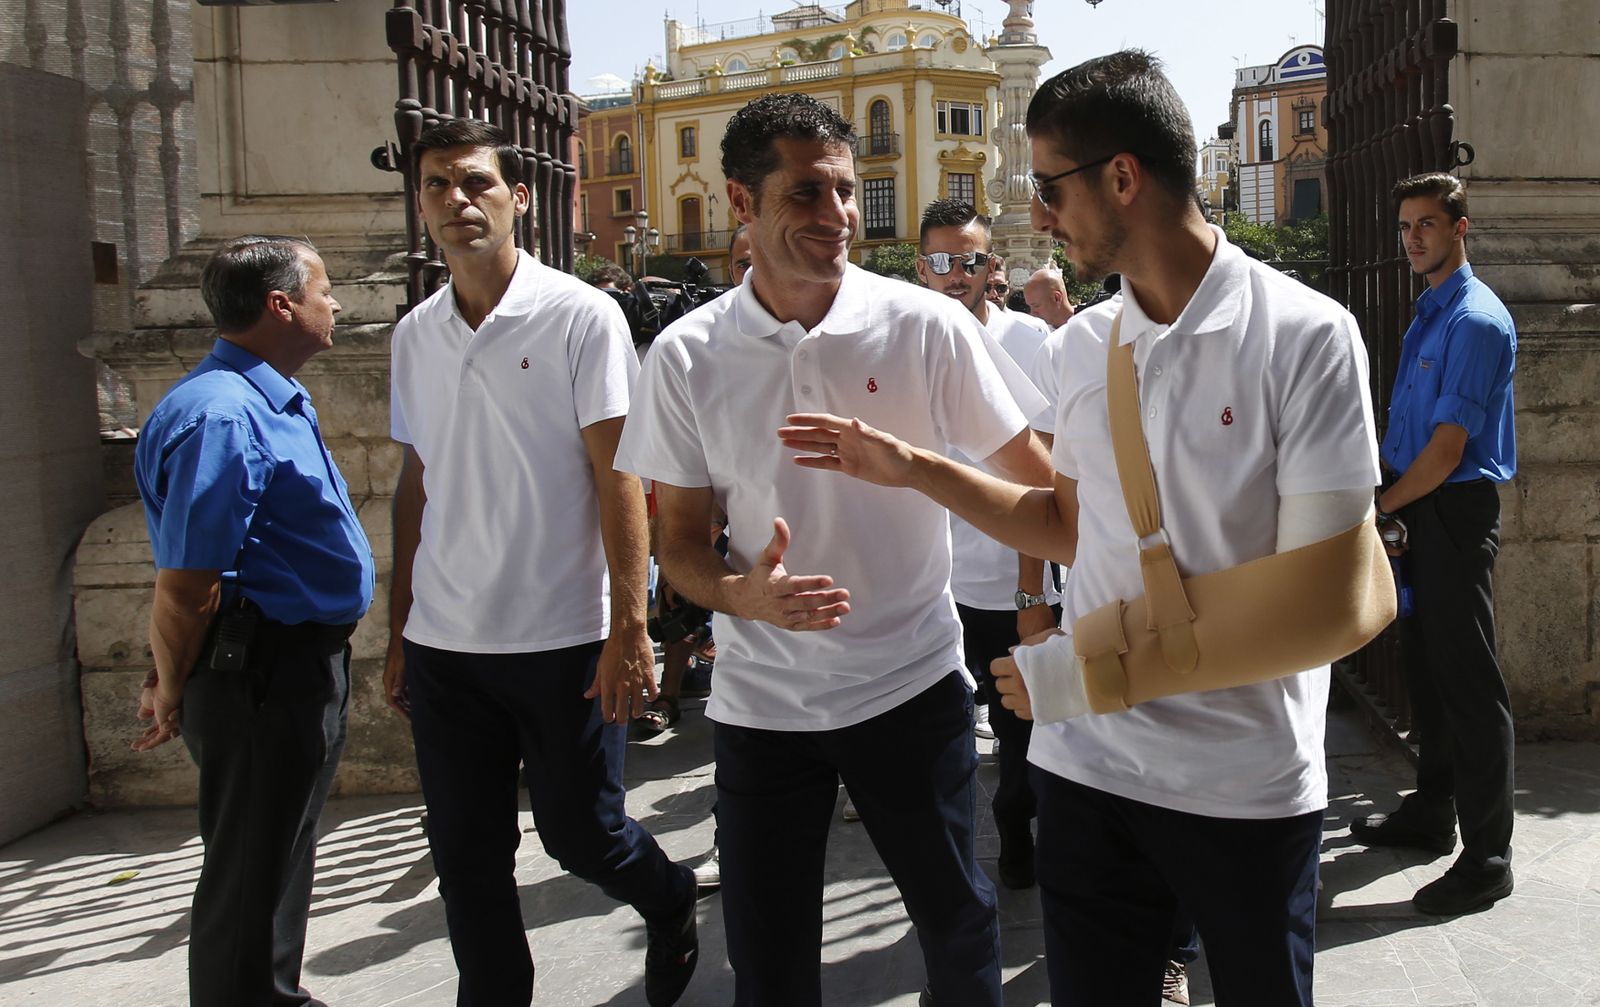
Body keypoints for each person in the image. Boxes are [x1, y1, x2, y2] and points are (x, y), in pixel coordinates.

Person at [782, 50, 1381, 1005]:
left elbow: (1327, 602)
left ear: (1123, 177)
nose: (1041, 212)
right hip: (1089, 770)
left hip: (1243, 780)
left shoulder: (1306, 334)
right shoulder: (1085, 345)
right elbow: (1067, 523)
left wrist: (1083, 668)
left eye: (1051, 186)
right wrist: (915, 467)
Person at [615, 92, 1052, 1007]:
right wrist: (742, 597)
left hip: (911, 686)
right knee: (768, 962)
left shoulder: (926, 326)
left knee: (957, 928)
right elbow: (679, 544)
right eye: (807, 192)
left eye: (846, 190)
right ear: (741, 202)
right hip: (761, 706)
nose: (839, 214)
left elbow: (1047, 499)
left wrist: (918, 470)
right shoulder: (687, 355)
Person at [384, 119, 697, 1007]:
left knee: (582, 834)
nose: (457, 199)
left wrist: (630, 625)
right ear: (421, 205)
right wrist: (399, 628)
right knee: (465, 855)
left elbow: (620, 475)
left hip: (564, 639)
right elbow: (416, 485)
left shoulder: (579, 314)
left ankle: (669, 894)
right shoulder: (414, 334)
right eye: (438, 184)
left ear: (518, 197)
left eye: (475, 181)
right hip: (447, 644)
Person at [132, 235, 374, 1007]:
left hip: (291, 668)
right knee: (248, 875)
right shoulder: (225, 417)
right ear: (281, 305)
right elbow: (188, 583)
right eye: (323, 289)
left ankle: (271, 992)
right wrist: (171, 684)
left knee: (275, 861)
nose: (335, 303)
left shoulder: (261, 397)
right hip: (262, 673)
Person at [1349, 172, 1517, 916]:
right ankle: (1431, 811)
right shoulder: (1431, 310)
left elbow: (1448, 451)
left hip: (1449, 509)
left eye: (1426, 224)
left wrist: (1380, 507)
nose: (1412, 237)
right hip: (1417, 506)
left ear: (1459, 228)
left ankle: (1487, 859)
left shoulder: (1474, 320)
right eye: (1405, 225)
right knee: (1426, 670)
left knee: (1469, 684)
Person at [915, 197, 1057, 889]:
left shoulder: (1032, 341)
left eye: (969, 261)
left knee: (1021, 733)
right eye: (941, 261)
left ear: (990, 265)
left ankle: (1017, 832)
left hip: (1008, 586)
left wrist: (1031, 591)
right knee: (935, 745)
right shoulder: (901, 339)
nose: (957, 274)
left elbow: (1048, 477)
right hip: (928, 589)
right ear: (921, 267)